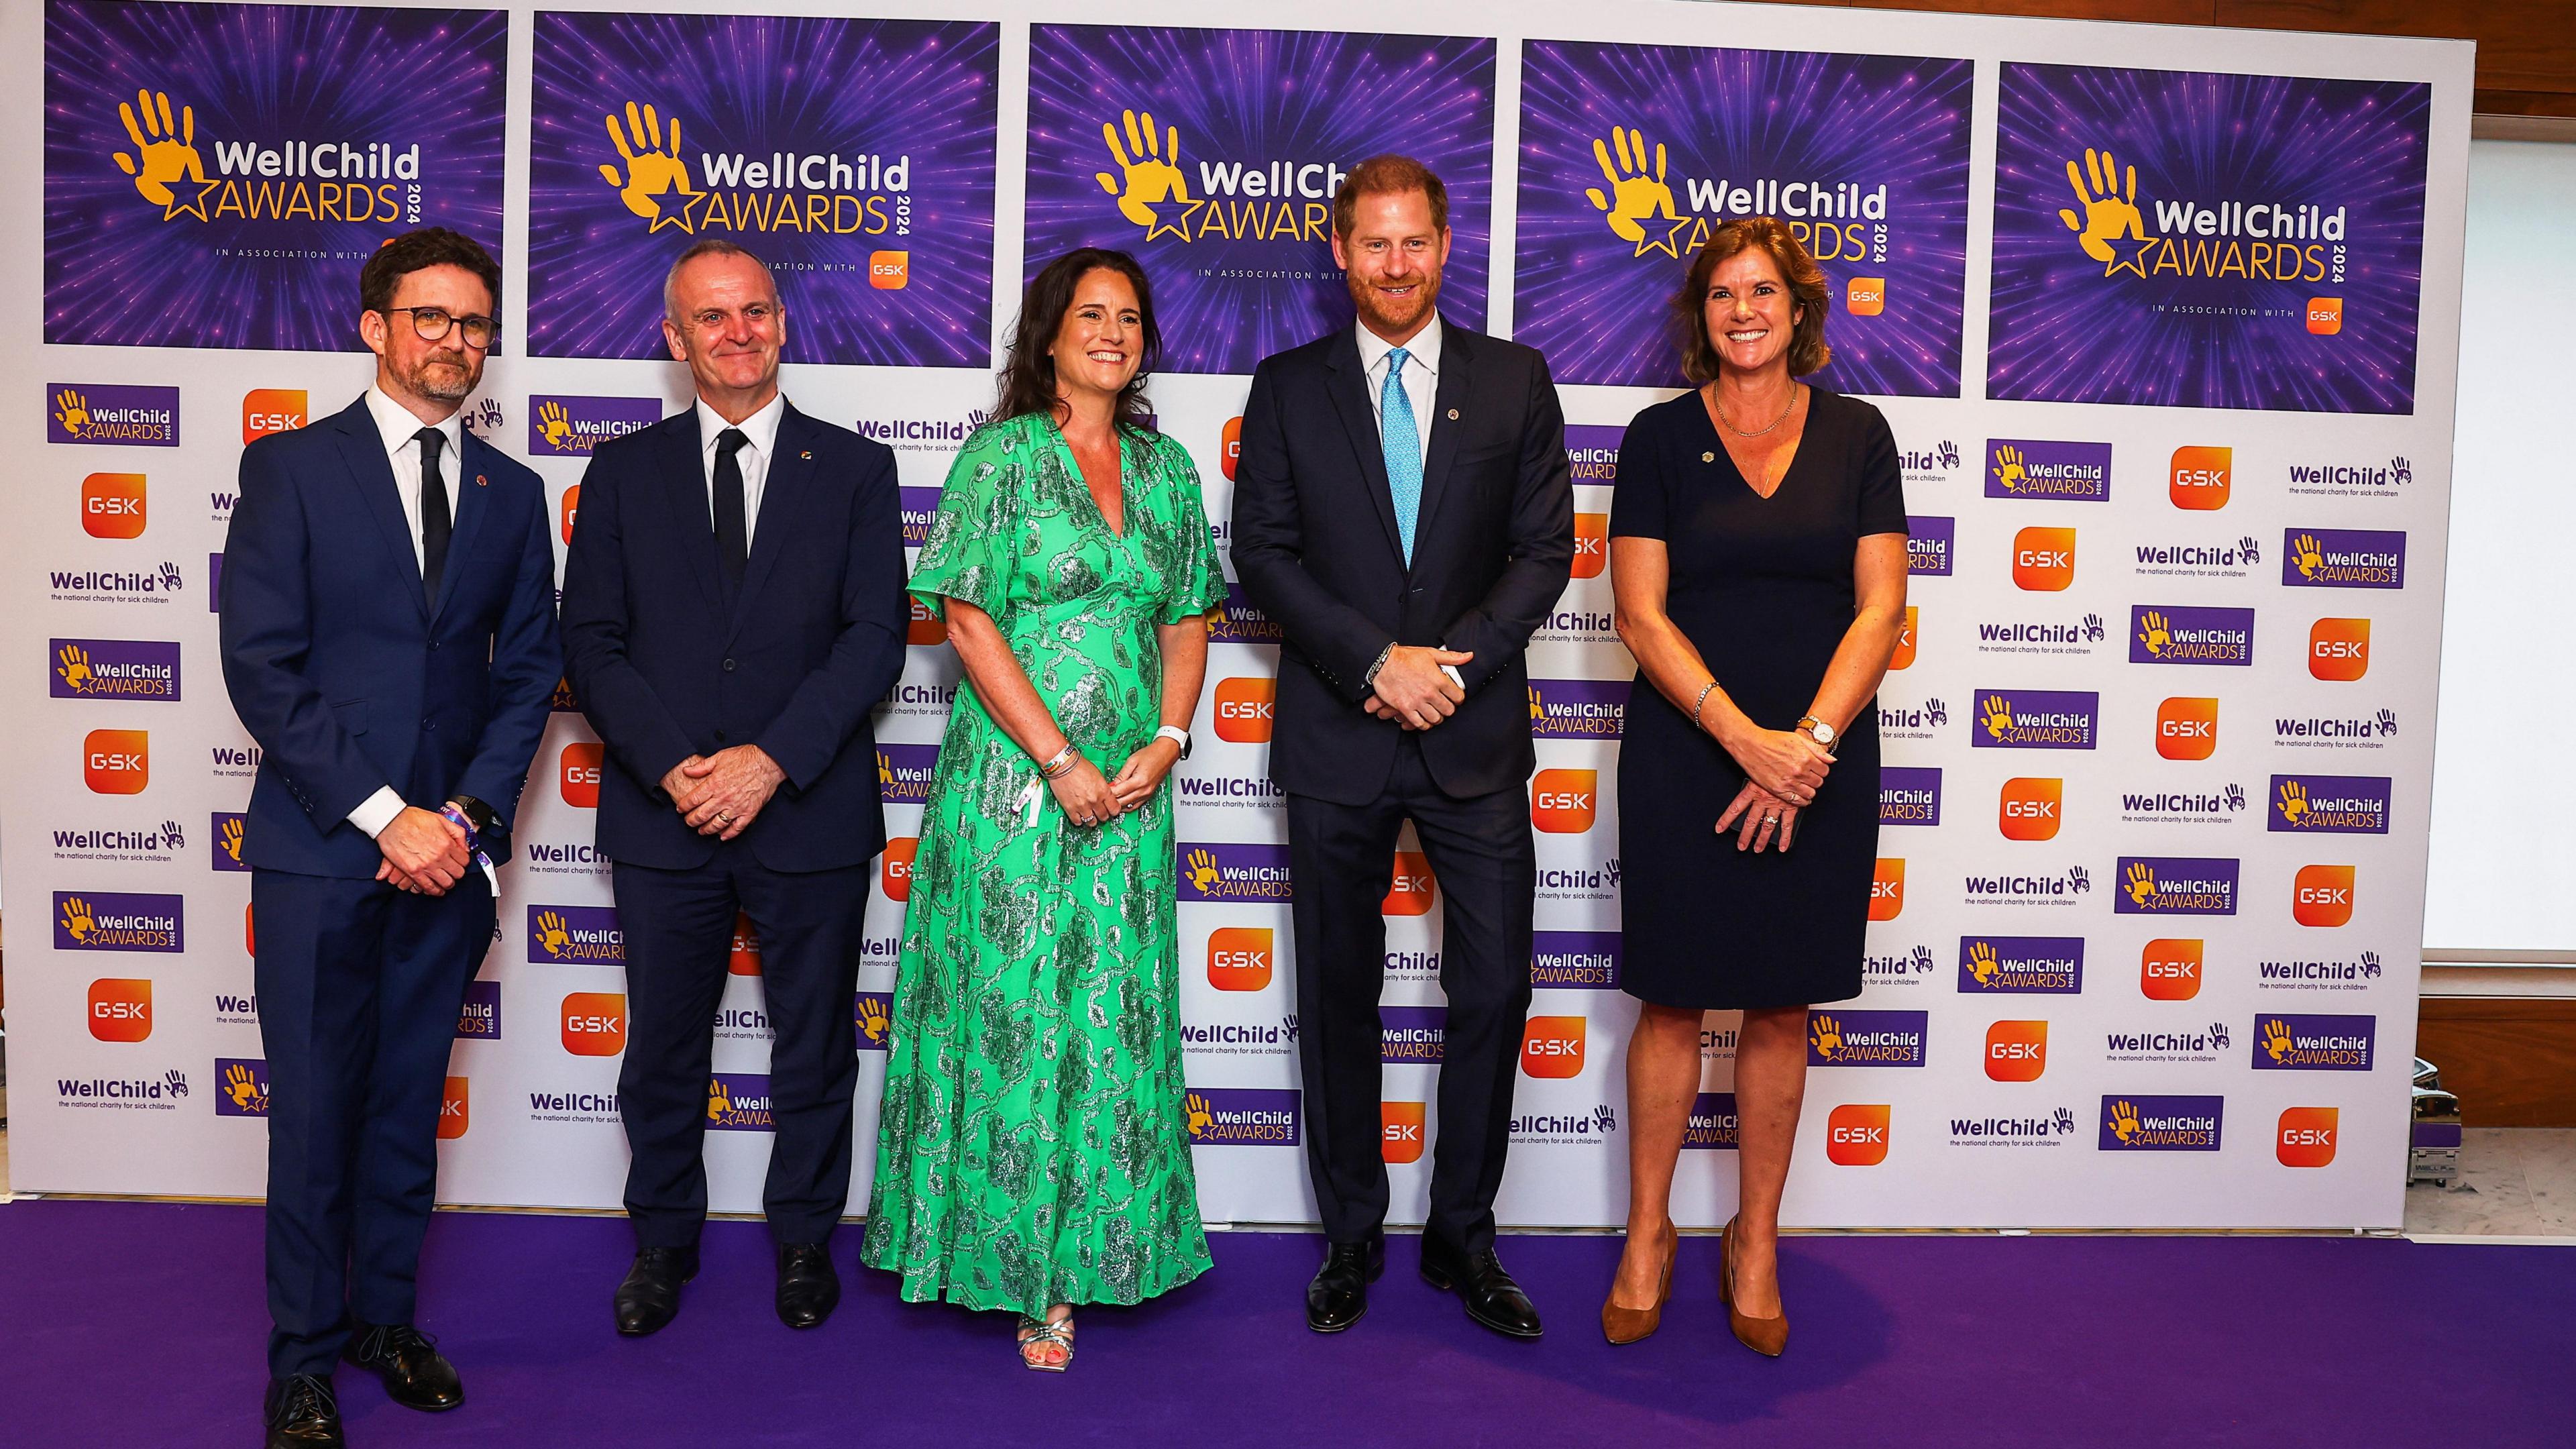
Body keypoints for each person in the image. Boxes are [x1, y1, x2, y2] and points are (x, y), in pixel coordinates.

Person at [219, 227, 559, 1449]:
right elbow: (263, 668)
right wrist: (385, 816)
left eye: (473, 325)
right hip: (324, 850)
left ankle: (385, 1323)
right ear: (376, 328)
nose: (456, 343)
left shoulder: (513, 496)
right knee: (315, 1107)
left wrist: (460, 820)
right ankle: (303, 1360)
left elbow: (526, 677)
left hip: (451, 860)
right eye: (433, 319)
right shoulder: (291, 470)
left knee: (410, 1103)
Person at [862, 247, 1224, 1371]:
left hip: (1130, 797)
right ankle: (1022, 1274)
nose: (1112, 333)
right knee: (1018, 1018)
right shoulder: (1002, 459)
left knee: (1109, 1019)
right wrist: (1061, 758)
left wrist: (1165, 741)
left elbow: (1186, 620)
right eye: (1089, 315)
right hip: (1013, 792)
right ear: (1049, 335)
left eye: (1129, 318)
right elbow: (966, 619)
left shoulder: (1165, 472)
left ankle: (1099, 1255)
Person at [1232, 156, 1575, 1340]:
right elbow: (1264, 552)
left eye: (1414, 244)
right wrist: (1376, 663)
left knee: (1496, 988)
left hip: (1473, 740)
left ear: (1444, 246)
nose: (1394, 265)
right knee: (1339, 994)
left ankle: (1463, 1240)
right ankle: (1351, 1238)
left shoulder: (1516, 380)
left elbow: (1545, 550)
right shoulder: (1287, 387)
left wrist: (1451, 667)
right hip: (1340, 734)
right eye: (1372, 244)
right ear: (1341, 251)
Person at [559, 239, 906, 1338]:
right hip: (667, 815)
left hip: (806, 803)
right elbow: (593, 642)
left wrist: (768, 761)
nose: (737, 332)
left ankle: (805, 1239)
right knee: (663, 1044)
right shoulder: (621, 472)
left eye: (754, 311)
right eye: (711, 318)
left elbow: (876, 636)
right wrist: (674, 767)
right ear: (676, 338)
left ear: (783, 323)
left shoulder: (854, 469)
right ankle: (662, 1240)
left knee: (814, 1045)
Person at [1601, 218, 1909, 1352]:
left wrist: (1808, 746)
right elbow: (1640, 613)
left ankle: (1756, 1238)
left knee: (1783, 1003)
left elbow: (1881, 607)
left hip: (1821, 761)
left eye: (1763, 292)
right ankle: (1649, 1233)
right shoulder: (1656, 439)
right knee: (1674, 997)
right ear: (1701, 312)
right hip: (1692, 753)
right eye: (1723, 293)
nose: (1743, 311)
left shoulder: (1860, 436)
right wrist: (1748, 742)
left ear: (1800, 309)